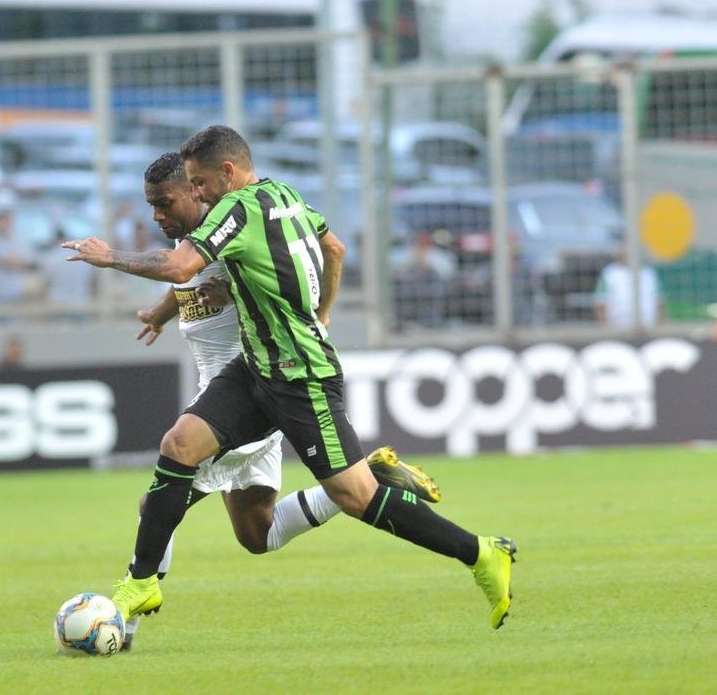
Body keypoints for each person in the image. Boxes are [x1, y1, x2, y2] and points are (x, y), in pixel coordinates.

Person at [64, 125, 516, 632]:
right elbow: (334, 248)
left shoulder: (235, 209)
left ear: (227, 172)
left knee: (355, 497)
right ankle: (142, 583)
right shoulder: (285, 196)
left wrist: (110, 257)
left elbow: (179, 266)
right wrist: (320, 315)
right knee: (181, 446)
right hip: (256, 366)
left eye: (199, 183)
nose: (198, 193)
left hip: (299, 376)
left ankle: (481, 552)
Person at [124, 152, 443, 650]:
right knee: (259, 535)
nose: (157, 215)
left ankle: (121, 625)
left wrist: (311, 314)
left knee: (156, 503)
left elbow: (296, 263)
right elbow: (330, 246)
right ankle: (368, 477)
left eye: (166, 202)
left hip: (242, 399)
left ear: (196, 190)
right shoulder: (198, 243)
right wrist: (162, 314)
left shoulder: (229, 232)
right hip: (239, 396)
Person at [593, 245, 663, 330]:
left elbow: (659, 302)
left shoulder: (649, 273)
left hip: (648, 329)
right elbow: (600, 302)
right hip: (617, 330)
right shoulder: (609, 273)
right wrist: (606, 328)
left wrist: (657, 328)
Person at [0, 210, 37, 305]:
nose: (5, 226)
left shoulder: (18, 241)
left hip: (16, 290)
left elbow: (30, 262)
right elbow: (7, 262)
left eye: (7, 222)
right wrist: (15, 261)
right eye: (2, 223)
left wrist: (17, 261)